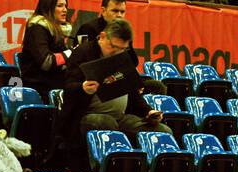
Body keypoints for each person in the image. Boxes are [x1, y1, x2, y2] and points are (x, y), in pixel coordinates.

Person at [61, 19, 170, 154]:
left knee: (163, 132)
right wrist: (82, 88)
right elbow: (68, 88)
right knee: (105, 123)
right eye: (113, 47)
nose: (116, 52)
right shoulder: (84, 52)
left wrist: (148, 111)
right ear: (102, 37)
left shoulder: (123, 56)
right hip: (88, 115)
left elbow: (133, 94)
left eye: (122, 49)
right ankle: (103, 171)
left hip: (121, 117)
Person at [17, 0, 72, 100]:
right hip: (38, 85)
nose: (65, 10)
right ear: (48, 8)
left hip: (55, 81)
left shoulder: (57, 29)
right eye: (60, 6)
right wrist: (71, 53)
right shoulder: (37, 28)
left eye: (65, 6)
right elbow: (47, 62)